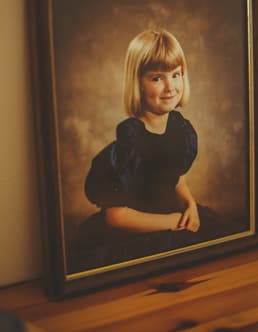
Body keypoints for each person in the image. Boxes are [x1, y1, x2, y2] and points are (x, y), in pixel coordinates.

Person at [72, 29, 231, 273]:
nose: (170, 87)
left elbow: (175, 179)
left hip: (172, 215)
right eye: (157, 78)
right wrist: (171, 222)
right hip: (137, 230)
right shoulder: (129, 145)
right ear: (138, 84)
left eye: (175, 75)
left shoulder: (180, 131)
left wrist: (190, 206)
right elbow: (116, 217)